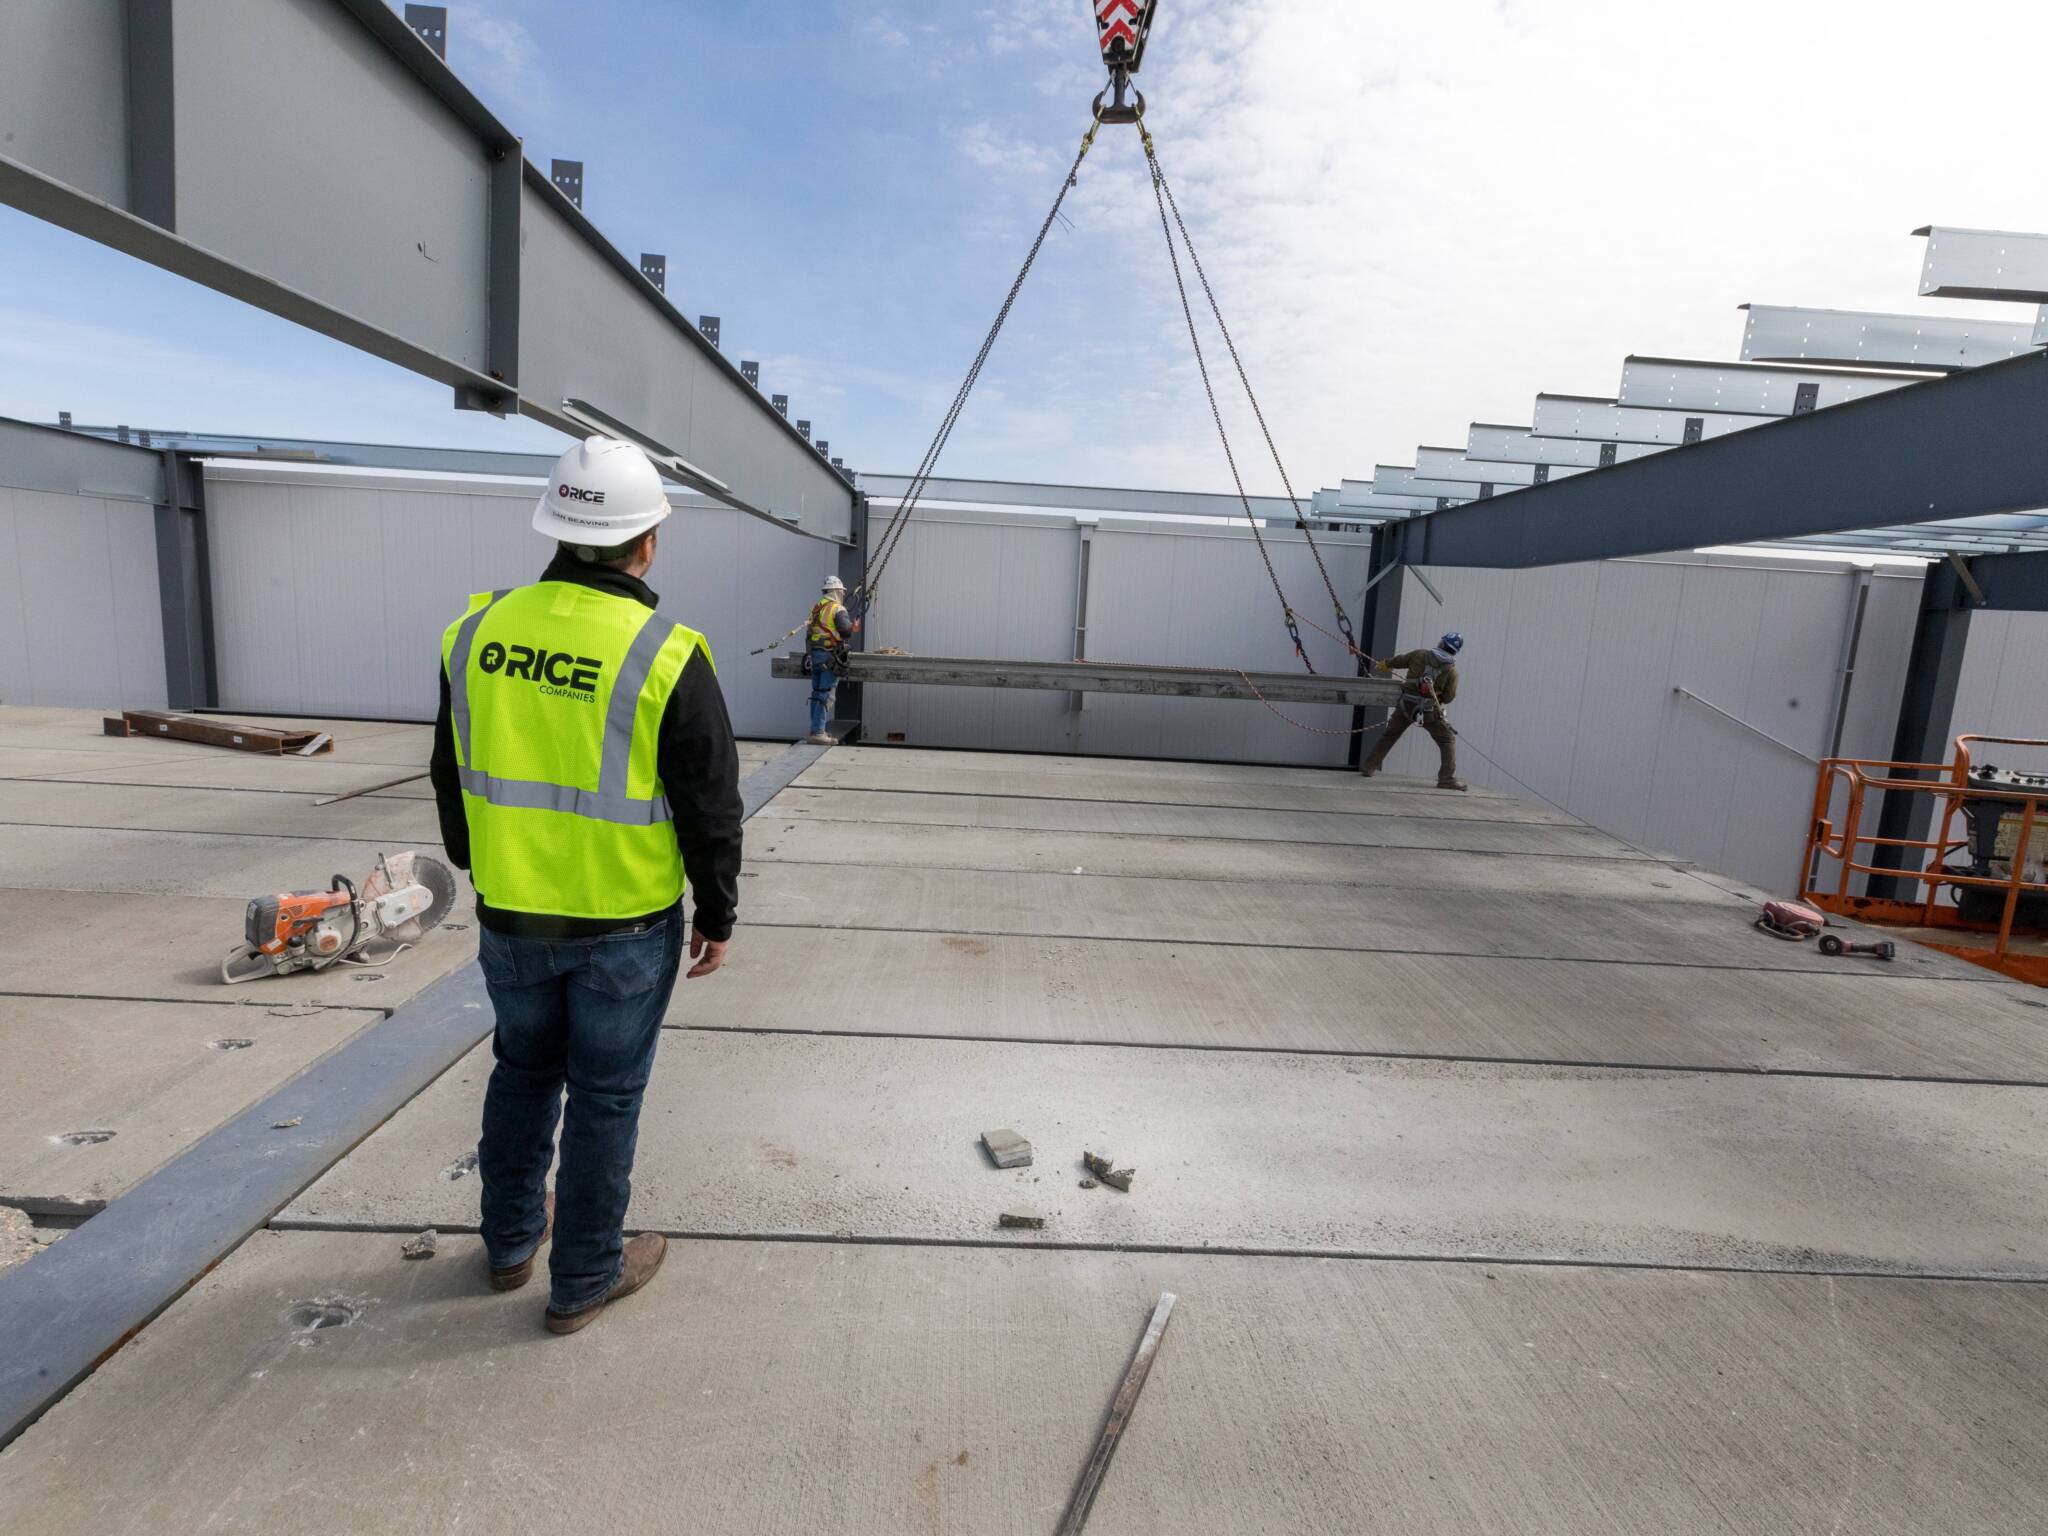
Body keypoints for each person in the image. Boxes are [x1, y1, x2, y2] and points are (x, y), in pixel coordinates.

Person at [429, 435, 743, 1335]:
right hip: (624, 926)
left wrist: (476, 857)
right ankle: (583, 1280)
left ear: (555, 533)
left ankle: (508, 1246)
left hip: (513, 914)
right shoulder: (666, 651)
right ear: (647, 542)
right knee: (605, 1097)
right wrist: (717, 911)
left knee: (522, 1075)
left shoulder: (476, 631)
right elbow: (710, 803)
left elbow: (451, 772)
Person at [1360, 631, 1468, 791]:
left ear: (1442, 643)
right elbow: (1449, 696)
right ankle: (1446, 779)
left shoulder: (1420, 654)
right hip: (1428, 711)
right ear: (1454, 650)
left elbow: (1400, 660)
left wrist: (1386, 664)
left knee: (1390, 735)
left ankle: (1369, 766)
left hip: (1406, 705)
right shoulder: (1452, 671)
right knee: (1447, 740)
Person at [804, 573, 856, 744]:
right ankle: (818, 732)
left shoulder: (817, 608)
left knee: (817, 692)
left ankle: (814, 730)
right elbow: (845, 631)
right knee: (825, 694)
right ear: (837, 591)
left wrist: (809, 654)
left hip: (816, 656)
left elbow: (809, 633)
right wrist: (853, 626)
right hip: (829, 655)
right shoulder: (837, 609)